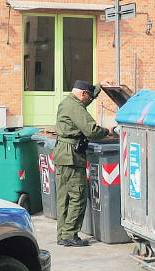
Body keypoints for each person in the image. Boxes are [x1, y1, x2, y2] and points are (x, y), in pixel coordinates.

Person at [53, 80, 114, 247]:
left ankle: (63, 234)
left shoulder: (68, 102)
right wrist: (107, 131)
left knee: (63, 198)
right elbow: (91, 130)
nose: (89, 100)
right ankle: (70, 235)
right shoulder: (76, 107)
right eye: (88, 97)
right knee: (77, 196)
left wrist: (99, 86)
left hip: (63, 154)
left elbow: (88, 98)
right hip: (71, 157)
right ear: (82, 94)